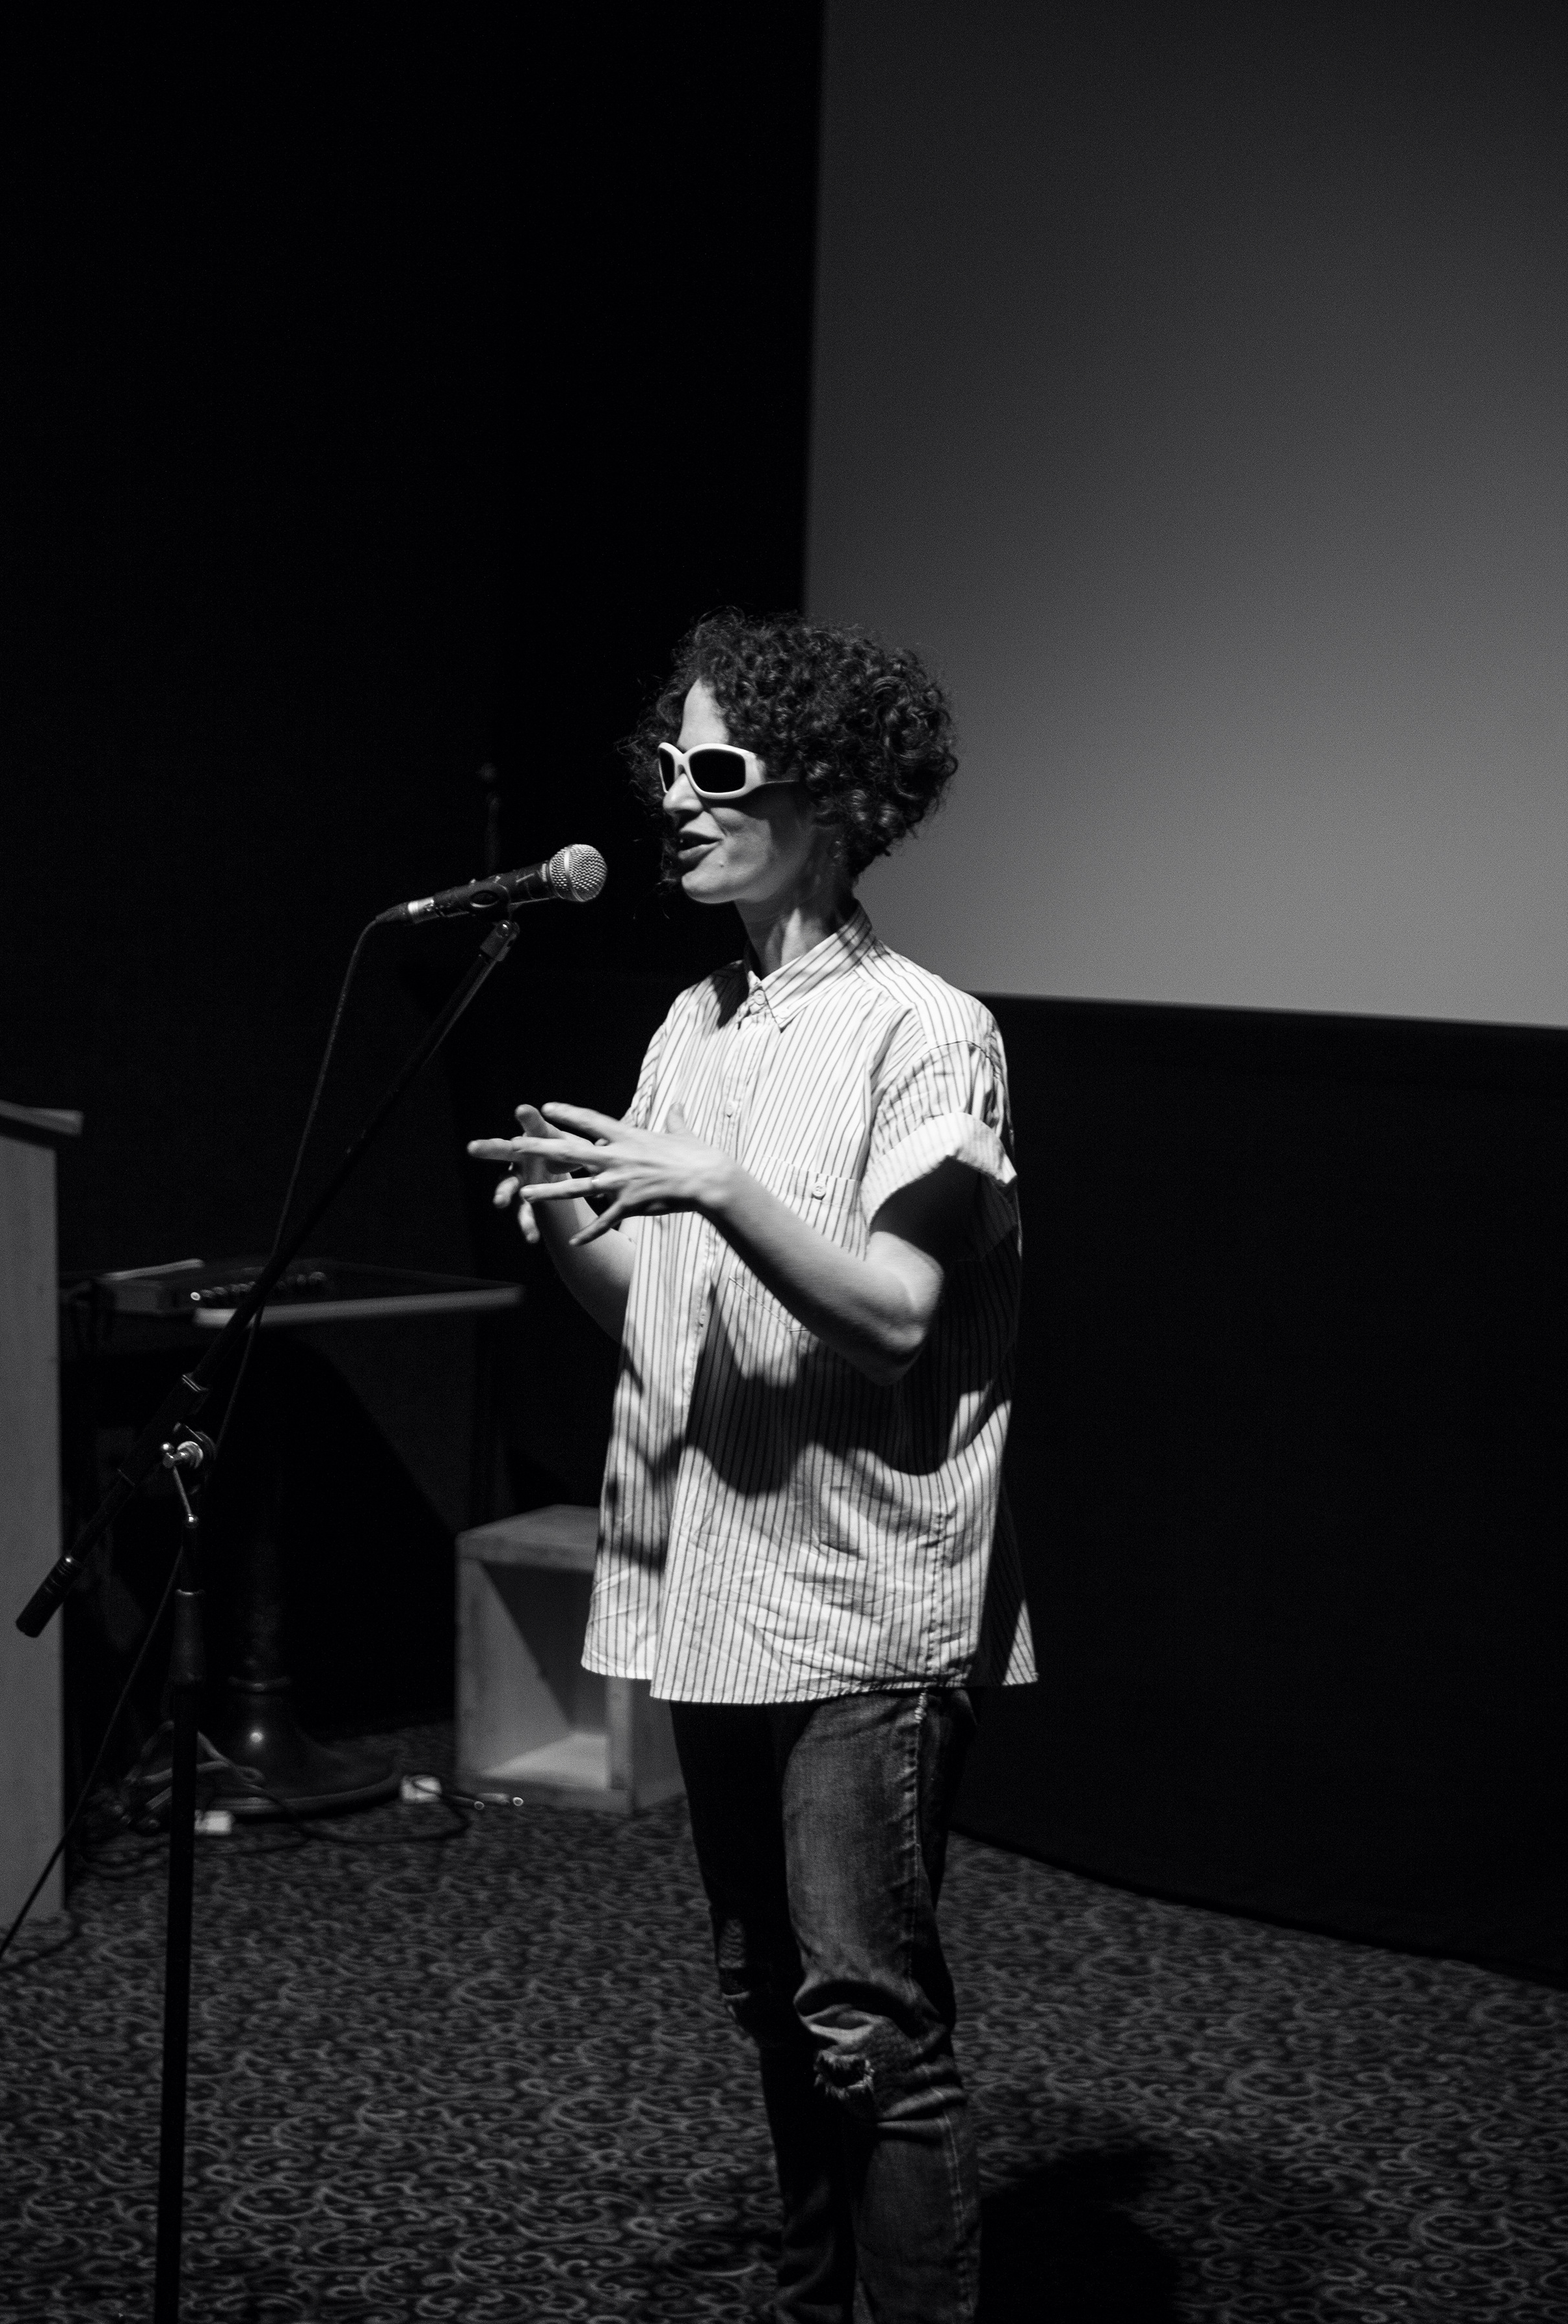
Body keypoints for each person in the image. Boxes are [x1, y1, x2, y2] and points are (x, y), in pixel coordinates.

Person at [469, 611, 1033, 2324]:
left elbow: (894, 1314)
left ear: (837, 791)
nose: (676, 800)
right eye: (667, 766)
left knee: (866, 2019)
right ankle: (811, 2298)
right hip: (718, 1577)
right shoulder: (692, 1023)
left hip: (859, 1602)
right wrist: (580, 1232)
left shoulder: (930, 1032)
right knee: (763, 1983)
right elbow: (669, 1310)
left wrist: (714, 1182)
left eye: (717, 768)